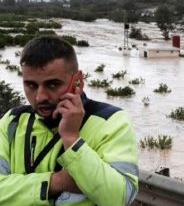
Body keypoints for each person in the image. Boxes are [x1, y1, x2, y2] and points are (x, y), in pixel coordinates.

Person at [0, 36, 138, 205]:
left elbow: (120, 198)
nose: (40, 96)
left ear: (77, 81)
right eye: (31, 85)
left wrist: (72, 139)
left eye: (52, 85)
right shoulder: (12, 121)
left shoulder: (111, 121)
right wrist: (55, 182)